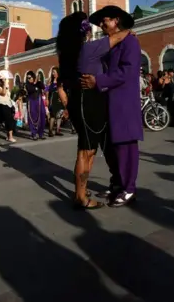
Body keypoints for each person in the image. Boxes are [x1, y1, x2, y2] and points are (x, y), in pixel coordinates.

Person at [56, 12, 131, 209]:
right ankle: (81, 197)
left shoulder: (68, 53)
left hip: (79, 101)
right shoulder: (89, 49)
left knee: (87, 148)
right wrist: (128, 29)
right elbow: (117, 36)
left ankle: (82, 190)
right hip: (89, 102)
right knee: (86, 151)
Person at [80, 6, 143, 207]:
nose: (101, 24)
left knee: (126, 147)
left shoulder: (130, 42)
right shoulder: (113, 44)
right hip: (110, 102)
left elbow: (127, 72)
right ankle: (118, 184)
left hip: (124, 103)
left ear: (116, 20)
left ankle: (129, 189)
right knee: (115, 148)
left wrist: (98, 81)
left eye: (104, 20)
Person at [25, 71, 46, 140]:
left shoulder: (38, 83)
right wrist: (36, 86)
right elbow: (31, 89)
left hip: (40, 101)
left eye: (30, 77)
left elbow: (43, 87)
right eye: (27, 78)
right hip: (32, 102)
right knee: (32, 117)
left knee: (42, 115)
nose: (29, 79)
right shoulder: (27, 84)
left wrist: (39, 81)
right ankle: (33, 134)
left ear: (33, 77)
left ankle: (41, 133)